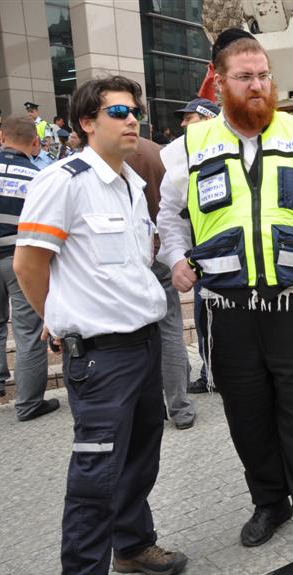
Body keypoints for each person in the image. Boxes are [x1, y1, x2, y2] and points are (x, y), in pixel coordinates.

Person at [158, 29, 293, 547]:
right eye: (245, 77)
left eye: (264, 75)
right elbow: (170, 216)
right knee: (248, 416)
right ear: (220, 82)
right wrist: (176, 257)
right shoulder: (187, 149)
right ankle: (270, 504)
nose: (258, 85)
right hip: (229, 310)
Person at [14, 75, 187, 575]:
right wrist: (57, 316)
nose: (133, 118)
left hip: (140, 343)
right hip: (101, 358)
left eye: (136, 109)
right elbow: (29, 265)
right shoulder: (63, 182)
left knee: (141, 454)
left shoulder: (132, 184)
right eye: (118, 111)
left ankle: (133, 545)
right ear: (86, 121)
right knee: (95, 476)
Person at [0, 115, 58, 418]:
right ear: (35, 142)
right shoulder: (37, 177)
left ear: (2, 137)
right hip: (18, 261)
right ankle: (28, 403)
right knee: (28, 331)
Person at [126, 134, 196, 430]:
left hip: (128, 254)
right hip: (163, 248)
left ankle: (147, 406)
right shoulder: (160, 153)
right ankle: (179, 407)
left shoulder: (110, 154)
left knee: (134, 332)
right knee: (170, 329)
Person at [172, 97, 221, 395]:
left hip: (214, 262)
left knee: (209, 321)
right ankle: (212, 372)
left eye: (188, 118)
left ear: (206, 120)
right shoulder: (184, 159)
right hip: (200, 258)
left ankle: (214, 374)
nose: (182, 124)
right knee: (205, 322)